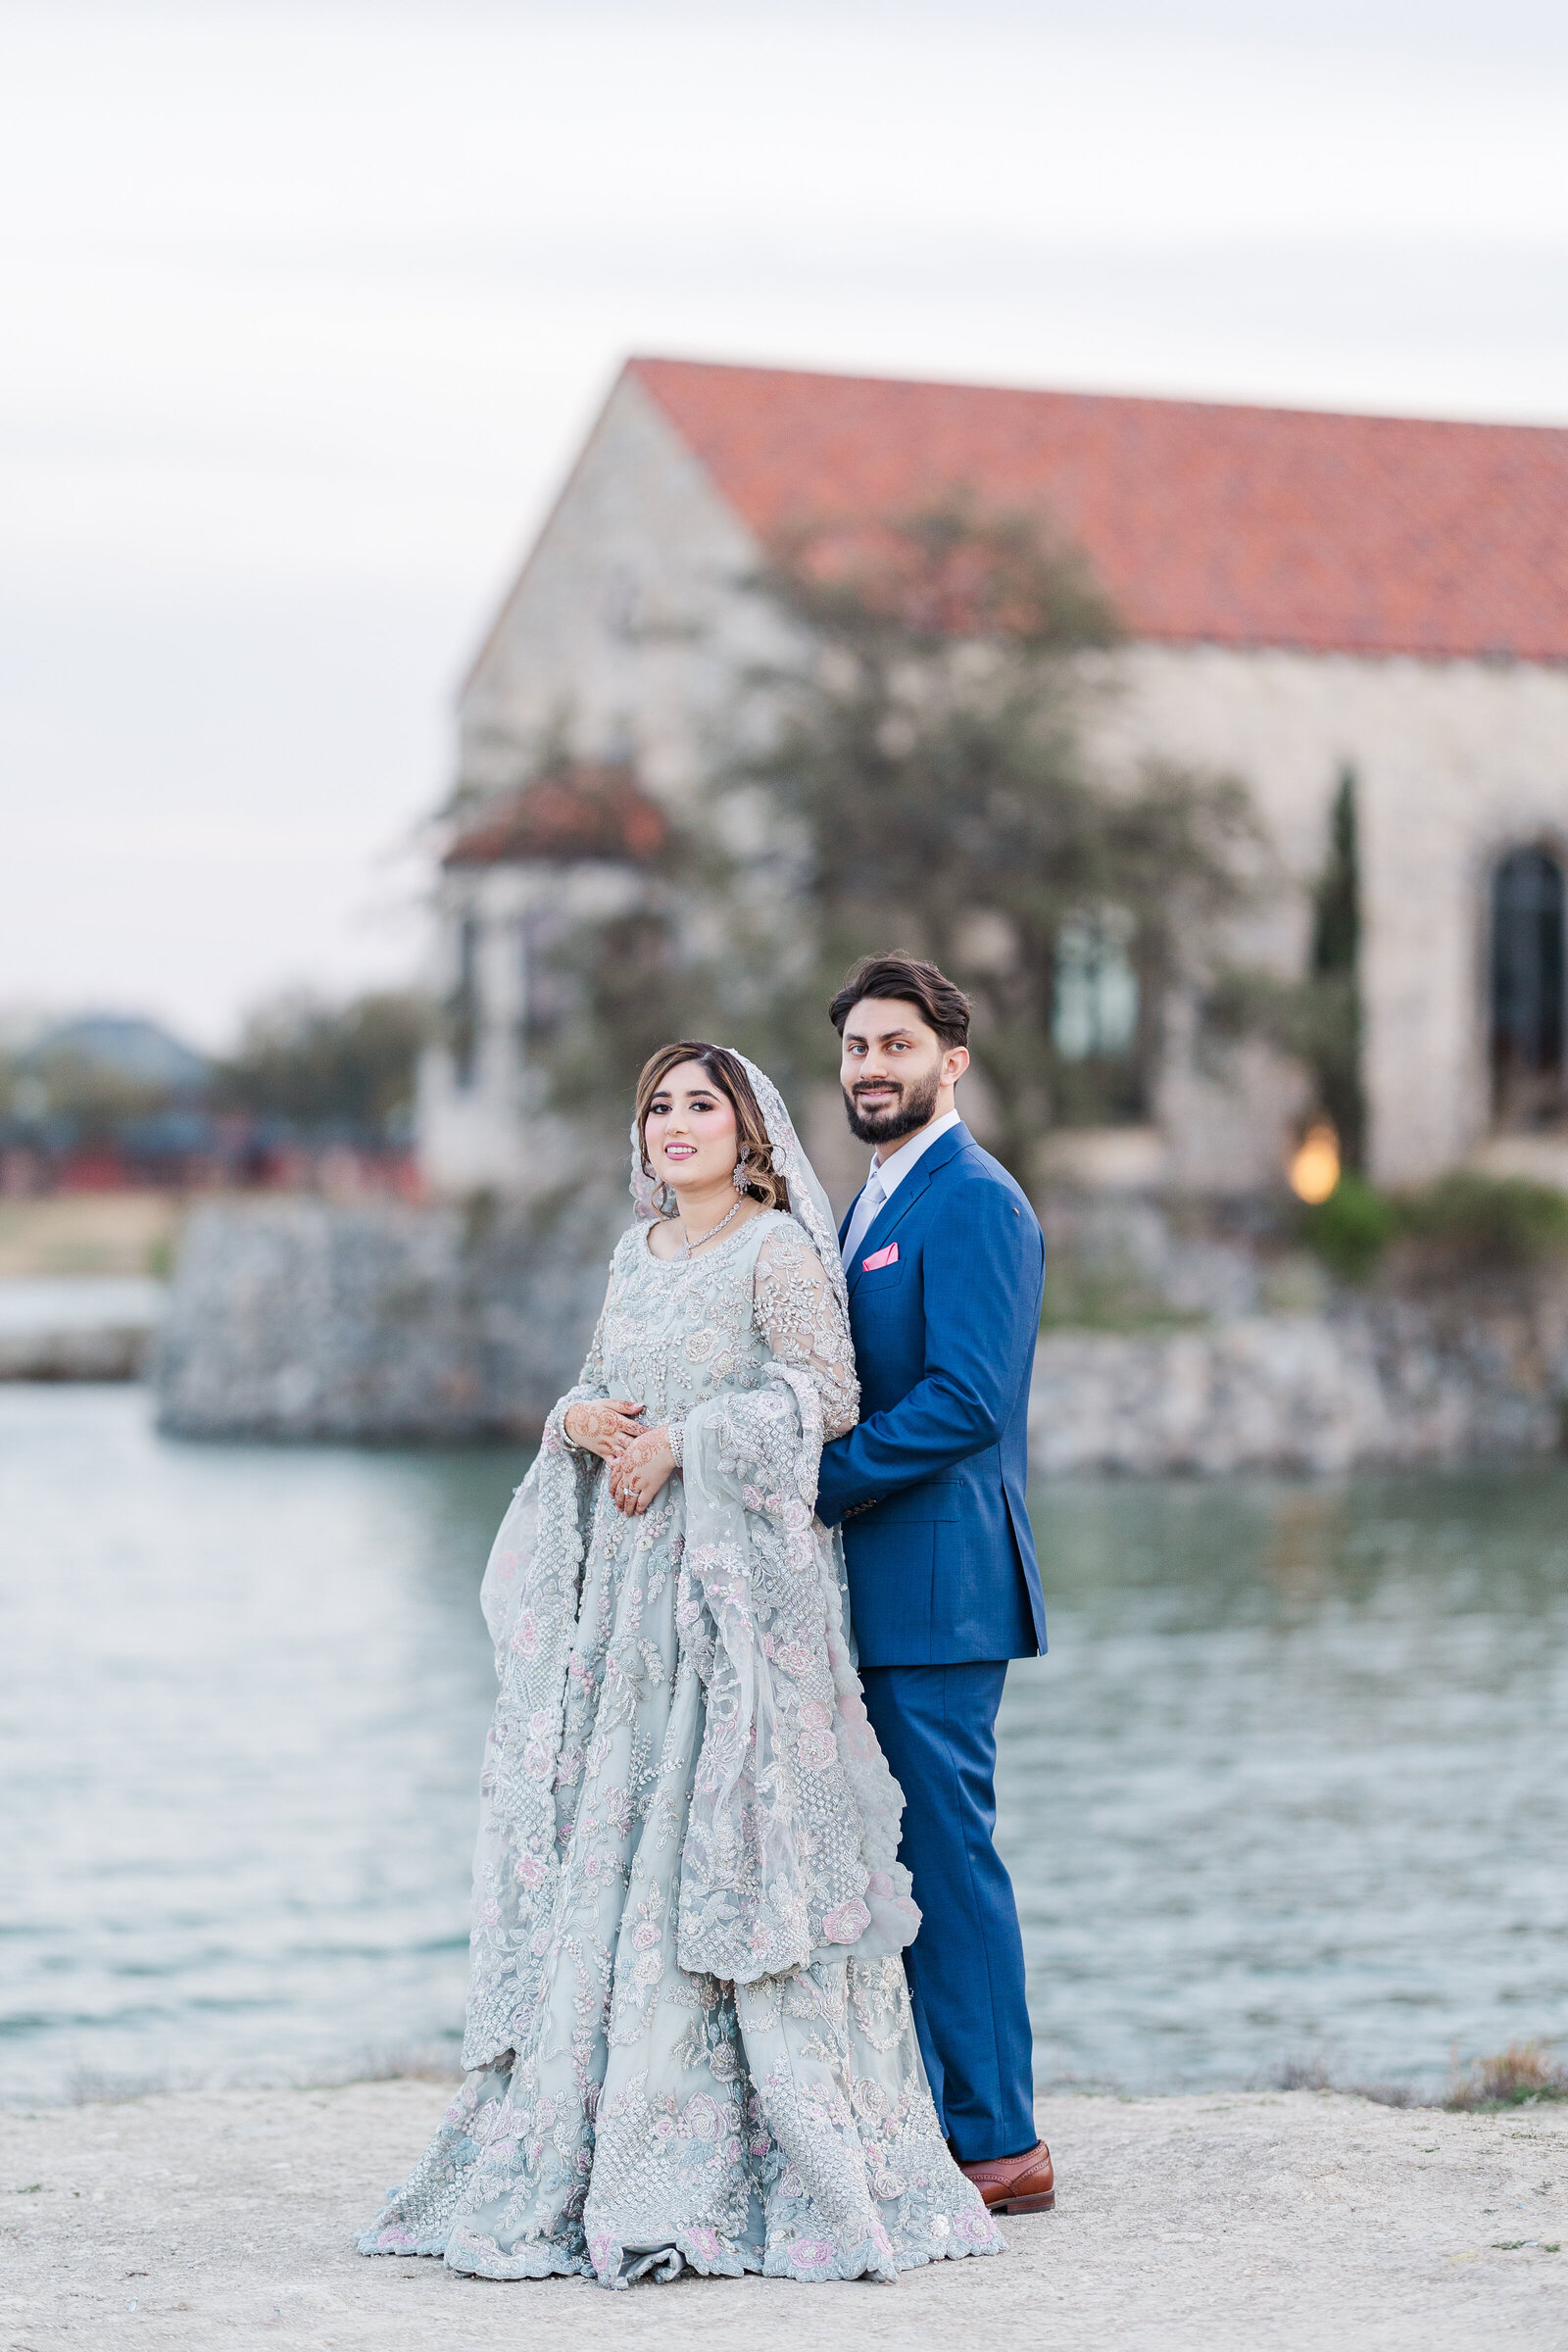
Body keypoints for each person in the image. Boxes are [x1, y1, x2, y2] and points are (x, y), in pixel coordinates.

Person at [359, 1043, 1003, 2287]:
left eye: (701, 1105)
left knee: (715, 1847)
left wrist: (692, 1445)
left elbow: (825, 1395)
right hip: (627, 1607)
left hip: (732, 1601)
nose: (675, 1124)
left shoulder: (777, 1252)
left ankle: (752, 2149)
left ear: (749, 1130)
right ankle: (590, 2135)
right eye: (658, 1106)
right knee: (618, 1840)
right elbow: (602, 1386)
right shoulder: (631, 1253)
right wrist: (580, 1422)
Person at [814, 956, 1054, 2219]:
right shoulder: (864, 1202)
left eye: (896, 1046)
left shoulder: (974, 1201)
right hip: (867, 1584)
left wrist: (810, 1481)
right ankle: (915, 2113)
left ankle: (1002, 2141)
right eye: (857, 1047)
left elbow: (967, 1399)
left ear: (949, 1061)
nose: (872, 1067)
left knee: (947, 1859)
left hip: (940, 1585)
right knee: (882, 1859)